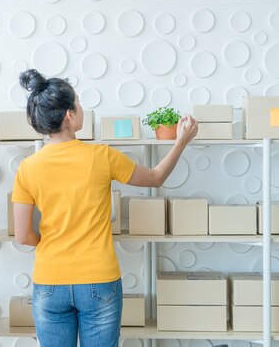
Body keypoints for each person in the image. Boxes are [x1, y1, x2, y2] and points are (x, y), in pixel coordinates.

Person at [11, 69, 198, 347]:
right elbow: (156, 177)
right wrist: (181, 141)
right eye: (77, 102)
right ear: (69, 115)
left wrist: (51, 244)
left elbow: (23, 236)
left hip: (50, 282)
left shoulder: (27, 168)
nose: (80, 107)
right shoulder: (102, 156)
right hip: (99, 280)